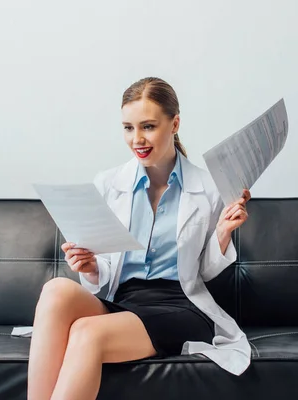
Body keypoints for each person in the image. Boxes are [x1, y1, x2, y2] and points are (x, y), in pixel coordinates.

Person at [27, 77, 251, 400]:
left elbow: (203, 273)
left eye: (148, 126)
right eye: (128, 128)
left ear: (175, 124)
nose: (137, 139)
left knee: (86, 333)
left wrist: (222, 233)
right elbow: (103, 272)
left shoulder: (209, 188)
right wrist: (89, 267)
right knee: (55, 291)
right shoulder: (108, 183)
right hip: (124, 302)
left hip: (181, 305)